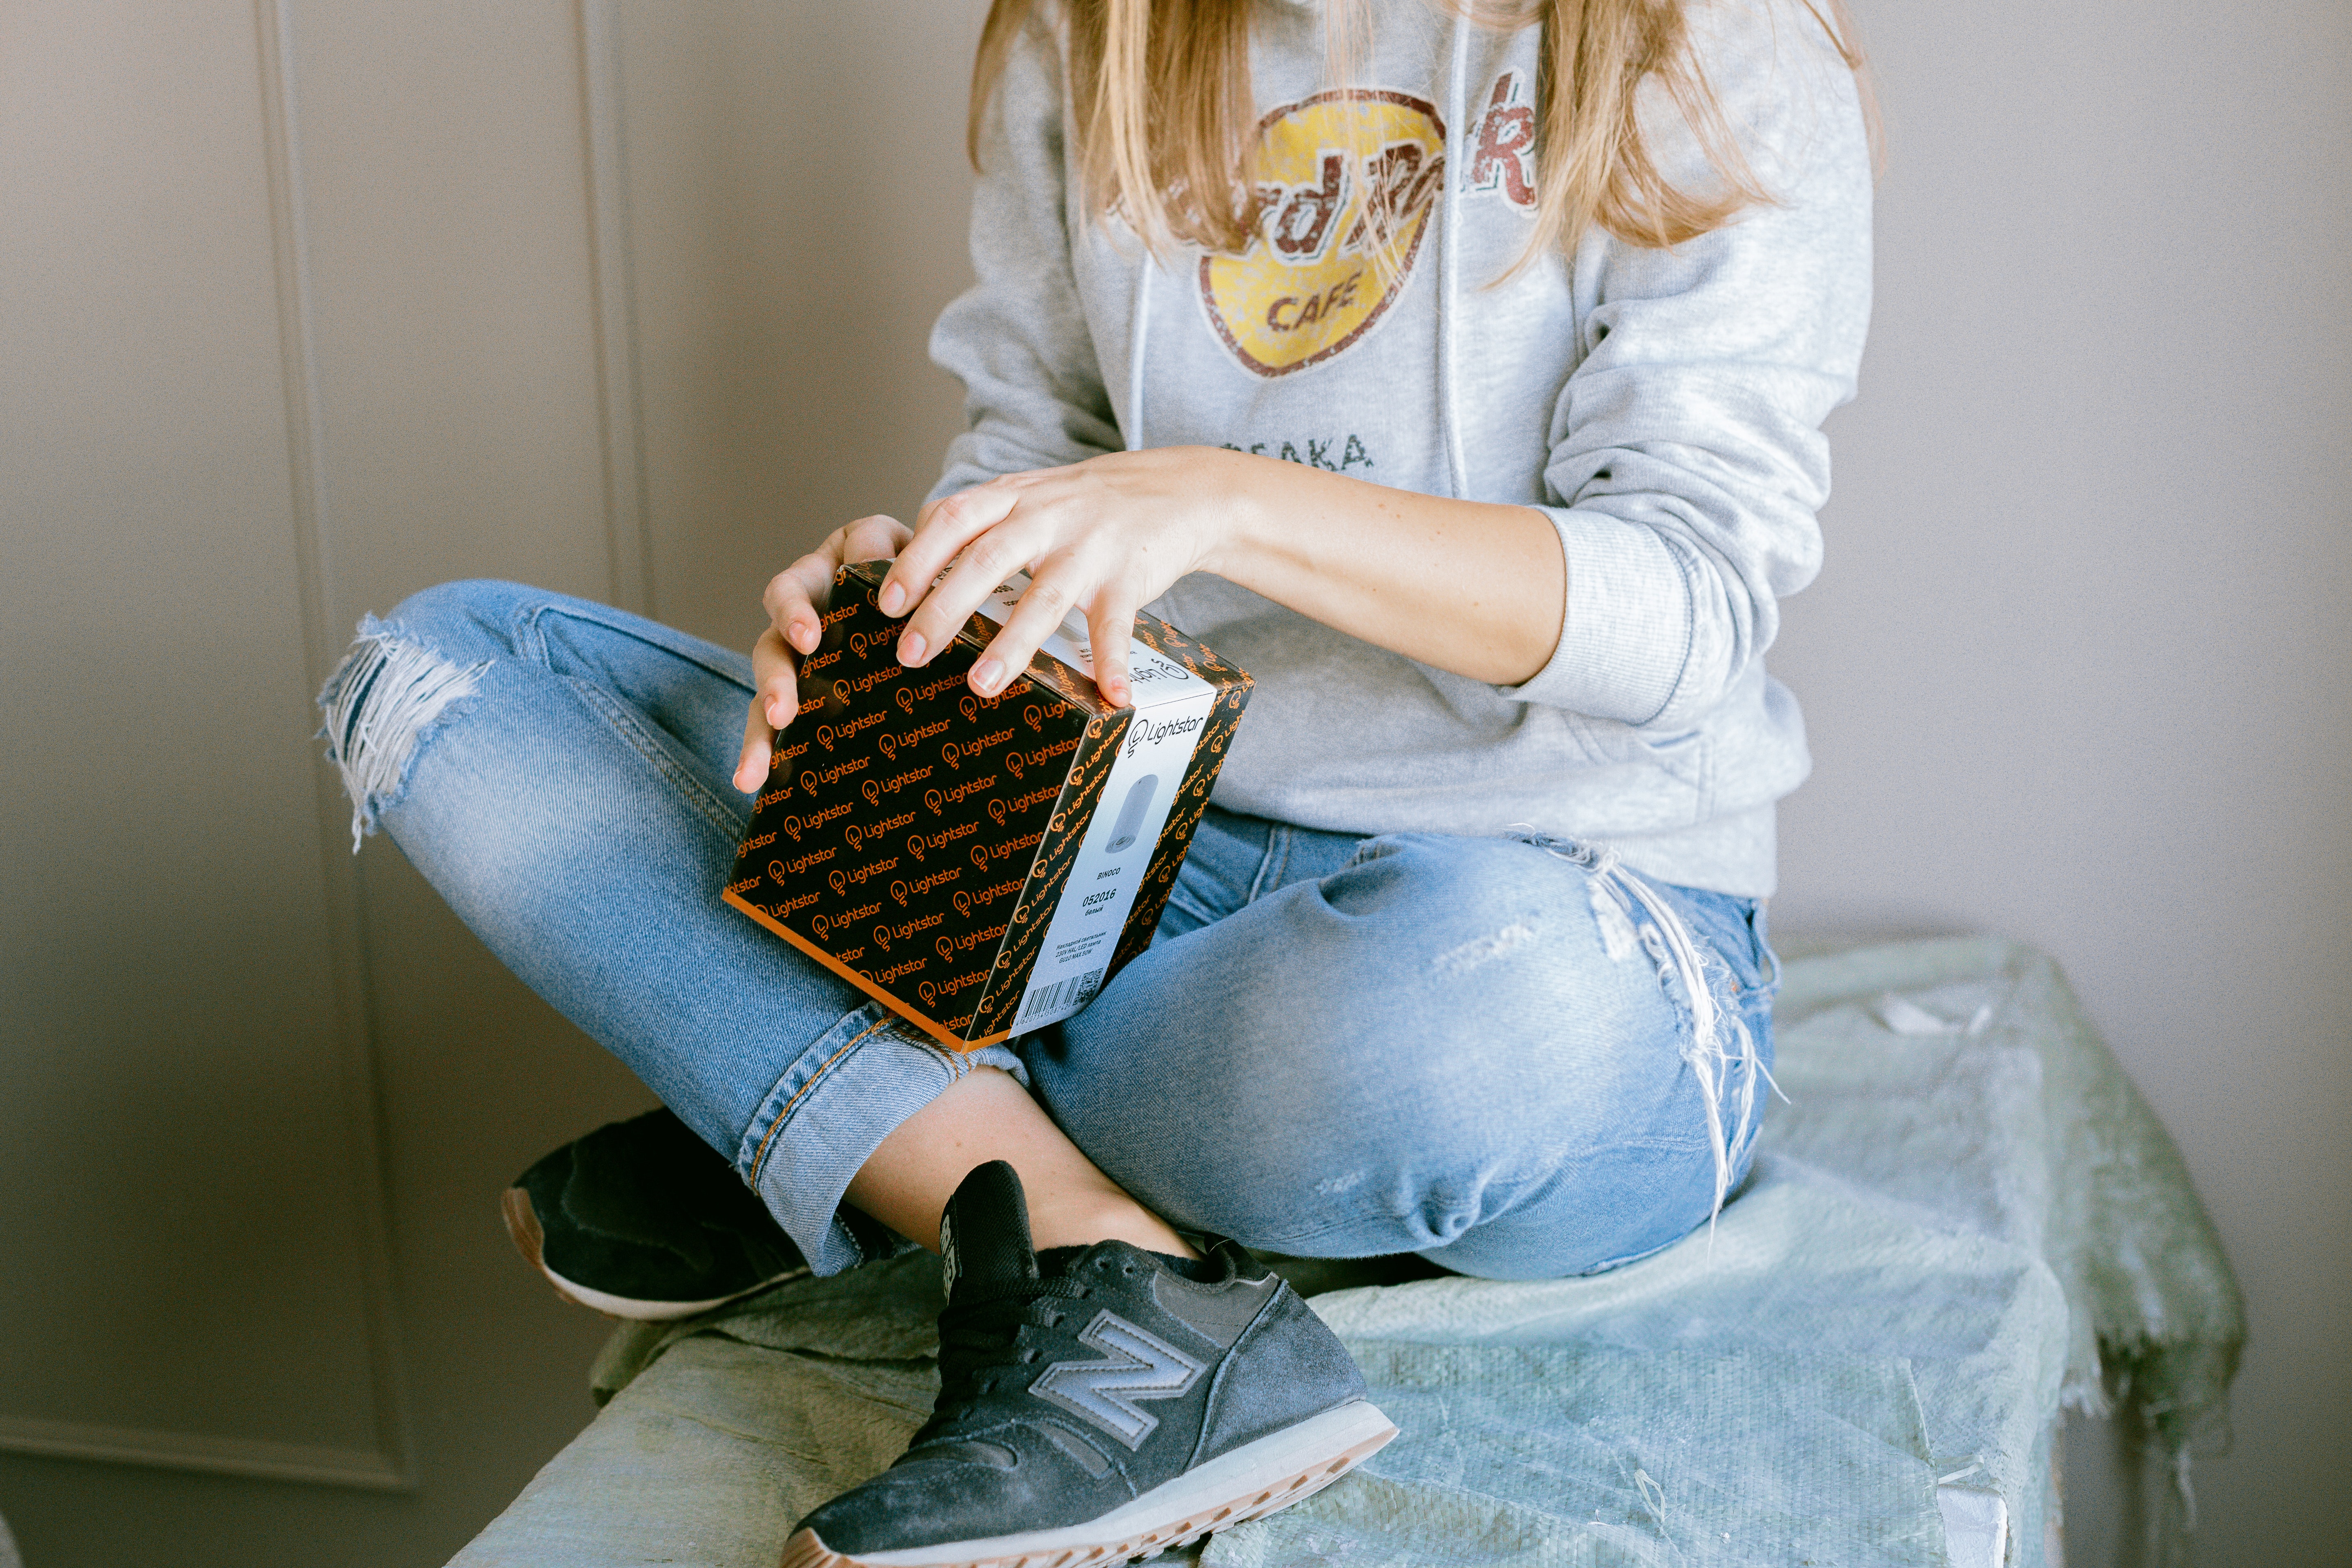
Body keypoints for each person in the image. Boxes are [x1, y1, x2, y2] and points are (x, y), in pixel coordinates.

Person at [320, 0, 1870, 1561]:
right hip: (1116, 858)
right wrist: (929, 608)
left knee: (1483, 1013)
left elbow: (1691, 606)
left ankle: (860, 1127)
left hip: (1563, 909)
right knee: (448, 675)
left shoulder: (1703, 39)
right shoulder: (1102, 32)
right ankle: (1068, 1234)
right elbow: (1033, 456)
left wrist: (1222, 503)